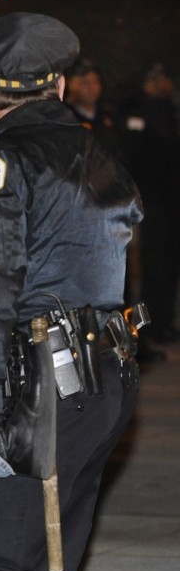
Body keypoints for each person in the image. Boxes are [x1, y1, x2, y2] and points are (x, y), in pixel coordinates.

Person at [0, 13, 143, 571]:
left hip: (37, 387)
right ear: (59, 87)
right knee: (46, 564)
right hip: (106, 374)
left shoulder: (0, 162)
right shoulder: (98, 150)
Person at [65, 59, 166, 364]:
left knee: (120, 283)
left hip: (111, 214)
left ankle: (133, 345)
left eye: (95, 81)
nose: (91, 88)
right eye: (84, 82)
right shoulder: (64, 120)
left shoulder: (109, 118)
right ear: (70, 85)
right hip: (78, 215)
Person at [122, 64, 180, 345]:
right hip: (150, 201)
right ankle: (147, 326)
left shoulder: (171, 112)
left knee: (168, 263)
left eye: (164, 79)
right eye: (155, 80)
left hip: (171, 200)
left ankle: (165, 321)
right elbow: (134, 157)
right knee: (151, 264)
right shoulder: (138, 112)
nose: (161, 85)